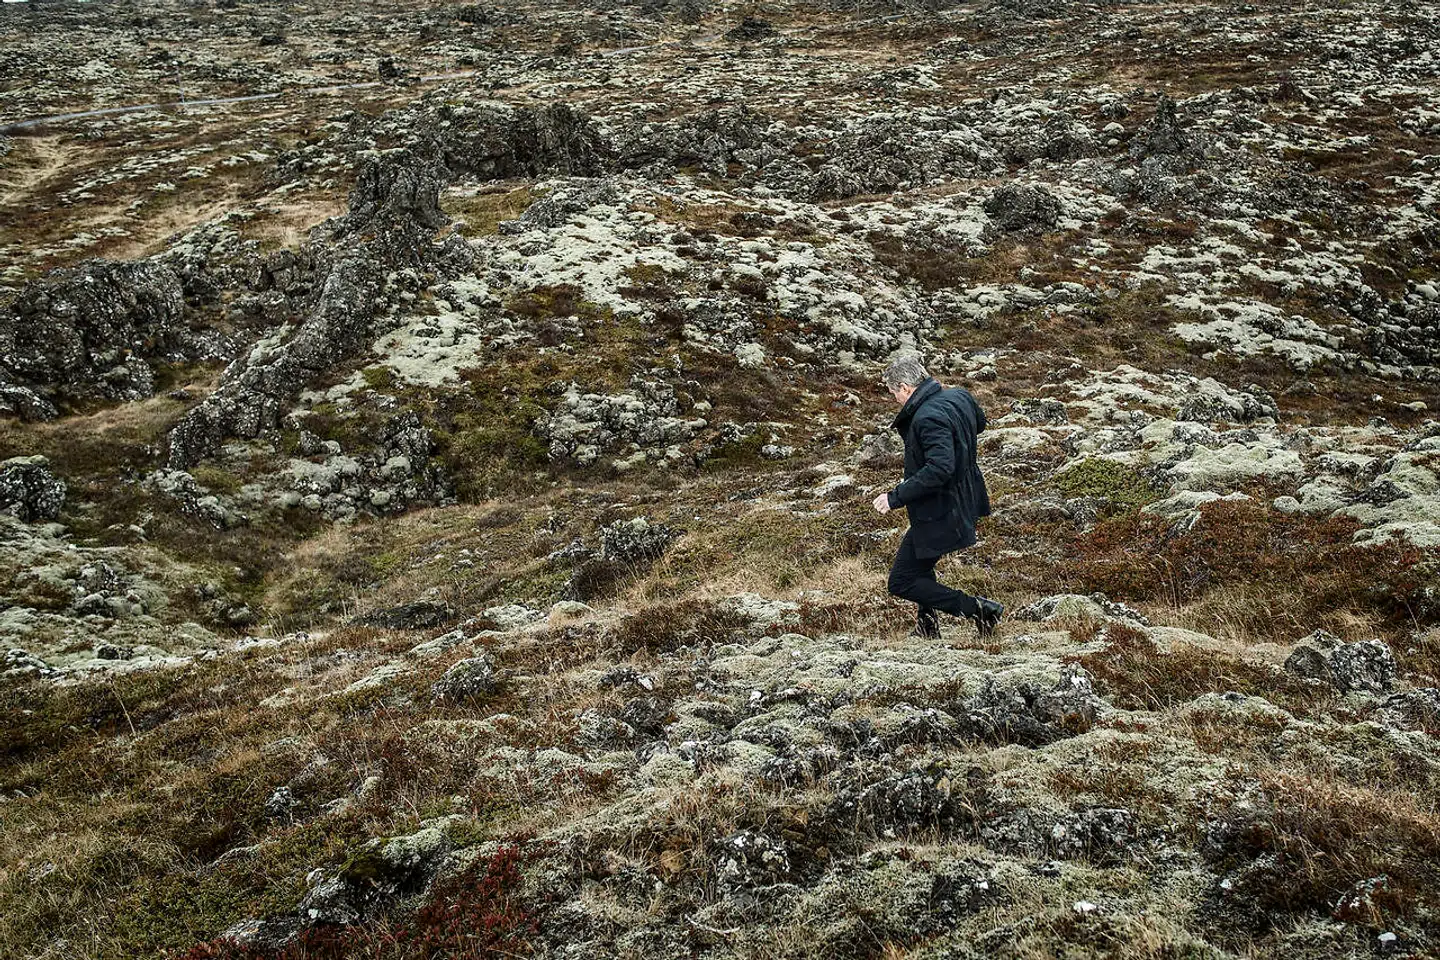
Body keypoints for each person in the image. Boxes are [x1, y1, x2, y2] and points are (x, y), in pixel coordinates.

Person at [871, 353, 1003, 639]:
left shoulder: (926, 416)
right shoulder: (959, 396)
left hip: (942, 508)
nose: (895, 400)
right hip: (962, 497)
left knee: (902, 580)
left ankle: (979, 610)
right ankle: (927, 626)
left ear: (905, 387)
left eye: (894, 393)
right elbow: (979, 424)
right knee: (921, 560)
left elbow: (940, 468)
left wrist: (895, 497)